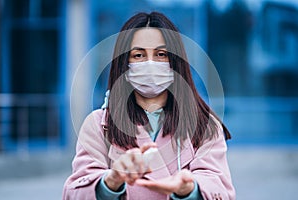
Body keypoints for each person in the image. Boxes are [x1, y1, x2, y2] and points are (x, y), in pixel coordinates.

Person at [63, 12, 236, 200]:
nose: (150, 63)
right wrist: (110, 182)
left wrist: (189, 189)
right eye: (138, 55)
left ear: (175, 62)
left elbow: (219, 188)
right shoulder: (98, 125)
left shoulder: (205, 125)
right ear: (124, 64)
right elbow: (74, 193)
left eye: (161, 54)